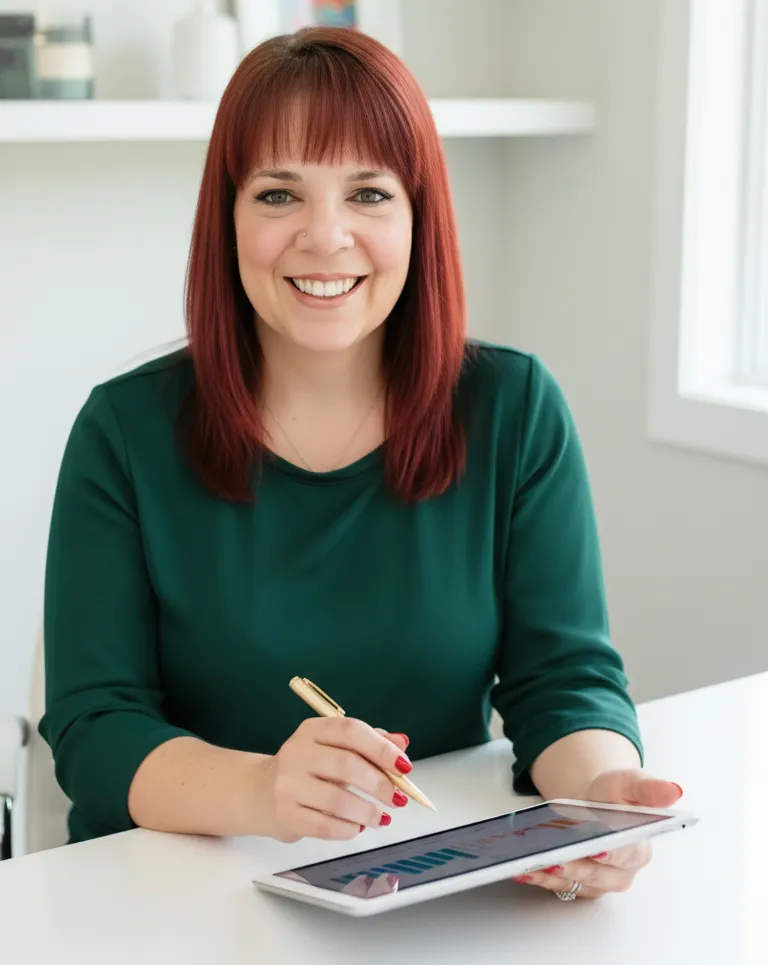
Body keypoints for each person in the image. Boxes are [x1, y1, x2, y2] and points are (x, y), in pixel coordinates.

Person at [40, 26, 683, 902]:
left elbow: (564, 681)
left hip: (429, 892)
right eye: (278, 194)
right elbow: (94, 727)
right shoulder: (123, 430)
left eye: (369, 193)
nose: (326, 236)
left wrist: (603, 795)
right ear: (227, 215)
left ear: (420, 215)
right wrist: (263, 789)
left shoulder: (515, 408)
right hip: (170, 897)